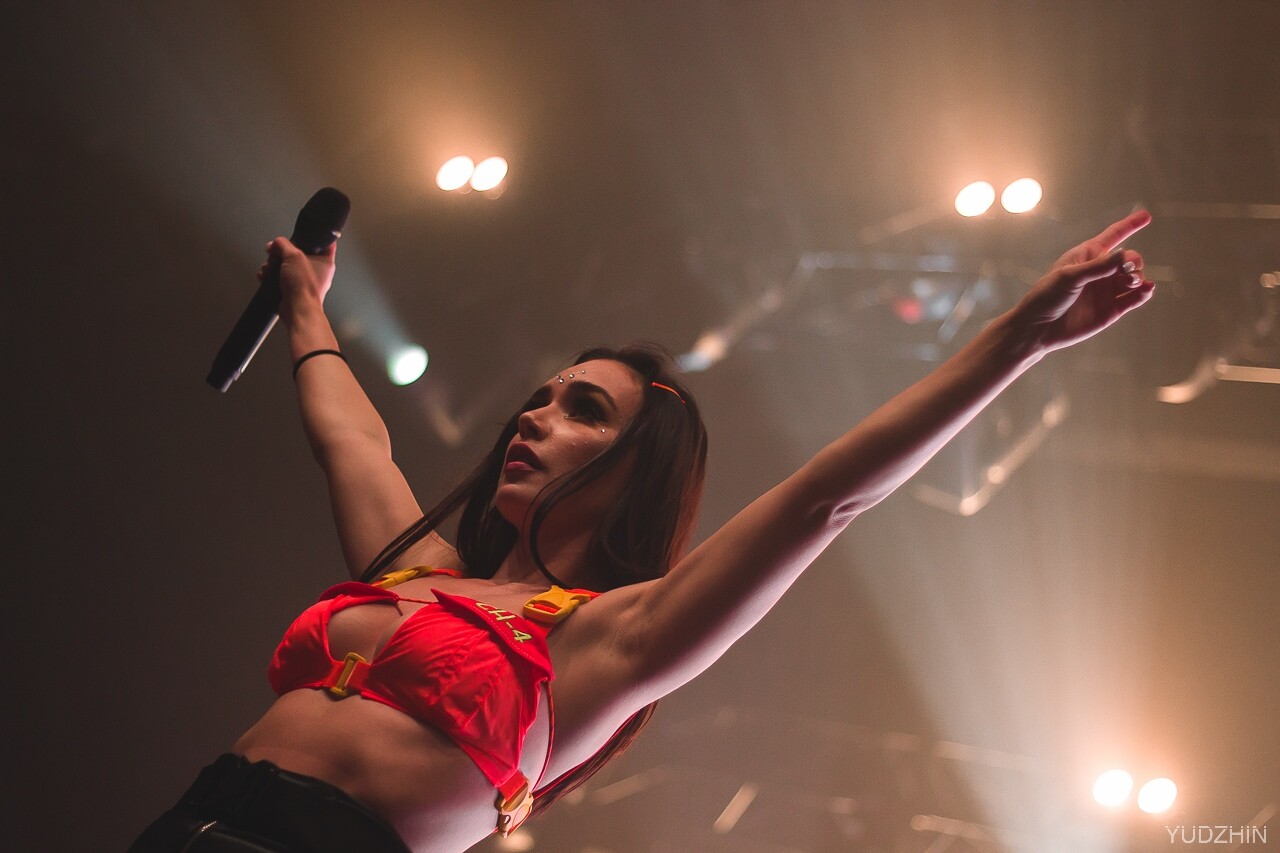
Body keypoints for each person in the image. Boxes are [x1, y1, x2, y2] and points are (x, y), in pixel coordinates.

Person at [130, 210, 1155, 852]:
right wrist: (305, 306)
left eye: (582, 409)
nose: (533, 417)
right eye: (537, 399)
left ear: (637, 471)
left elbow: (828, 495)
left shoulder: (612, 640)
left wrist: (1019, 338)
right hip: (186, 822)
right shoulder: (418, 568)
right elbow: (352, 440)